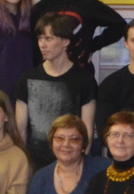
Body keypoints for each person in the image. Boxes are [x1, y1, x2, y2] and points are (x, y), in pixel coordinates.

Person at [16, 14, 97, 169]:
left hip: (73, 161)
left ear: (65, 41)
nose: (42, 44)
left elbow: (87, 129)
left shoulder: (84, 80)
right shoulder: (27, 78)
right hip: (35, 164)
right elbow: (21, 130)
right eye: (40, 39)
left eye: (48, 39)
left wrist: (82, 164)